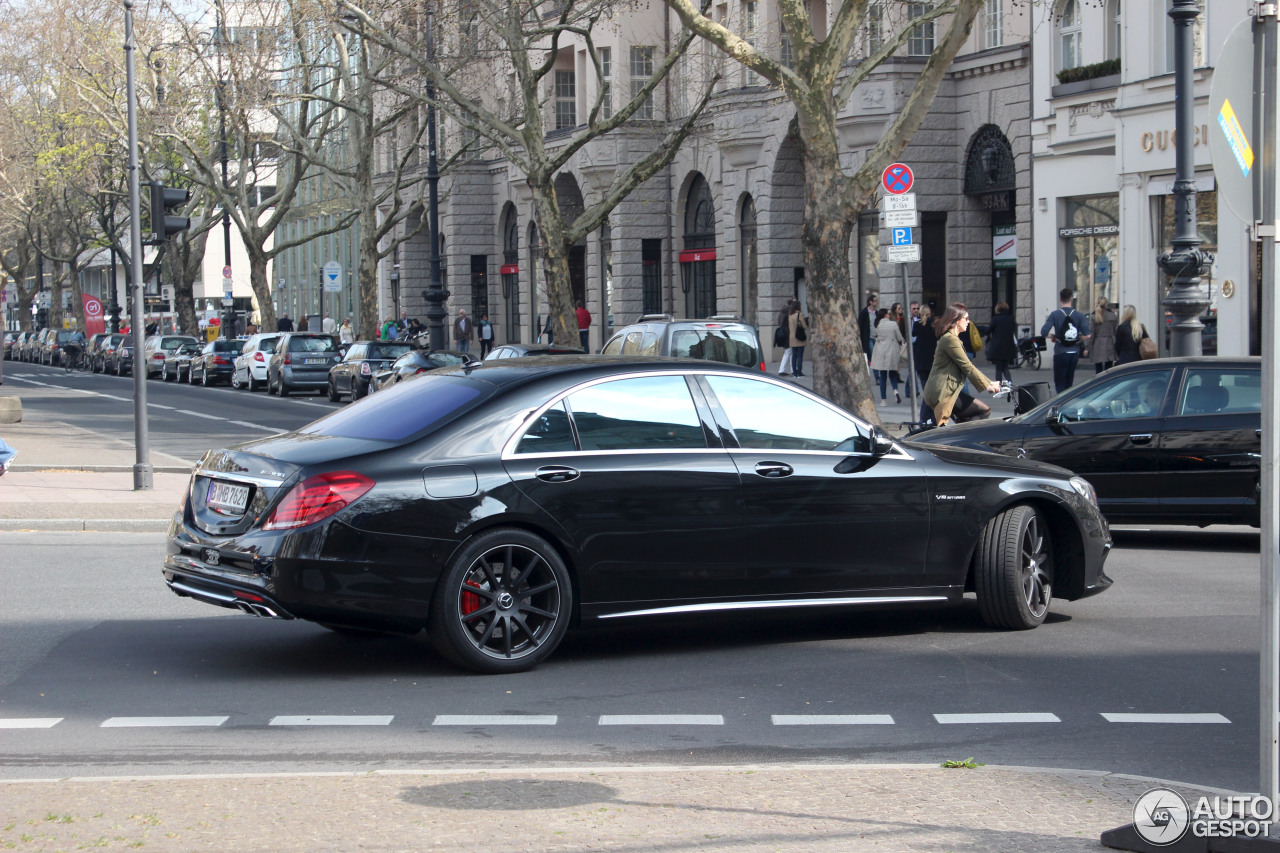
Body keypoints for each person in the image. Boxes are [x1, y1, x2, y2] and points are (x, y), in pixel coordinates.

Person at [923, 303, 1002, 426]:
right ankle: (958, 438)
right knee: (984, 410)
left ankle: (961, 438)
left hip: (948, 389)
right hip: (943, 392)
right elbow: (967, 366)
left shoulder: (952, 338)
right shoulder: (950, 339)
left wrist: (989, 382)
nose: (968, 322)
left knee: (966, 420)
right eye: (966, 318)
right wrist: (988, 385)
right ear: (956, 320)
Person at [1040, 288, 1091, 393]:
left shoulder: (1055, 314)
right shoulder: (1079, 315)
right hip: (1074, 352)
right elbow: (1088, 335)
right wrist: (1077, 339)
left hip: (1060, 352)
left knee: (1059, 383)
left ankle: (1060, 404)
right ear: (1072, 299)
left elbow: (1043, 332)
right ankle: (1068, 403)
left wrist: (1054, 336)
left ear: (1060, 299)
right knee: (1069, 383)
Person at [870, 307, 904, 404]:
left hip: (881, 350)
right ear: (885, 315)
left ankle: (883, 400)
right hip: (892, 350)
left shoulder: (877, 325)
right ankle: (895, 391)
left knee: (883, 376)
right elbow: (899, 337)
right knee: (893, 373)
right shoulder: (893, 324)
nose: (889, 315)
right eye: (888, 314)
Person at [985, 302, 1017, 383]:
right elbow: (1013, 329)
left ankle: (998, 386)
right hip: (1008, 346)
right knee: (1005, 367)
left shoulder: (996, 319)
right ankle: (1010, 383)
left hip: (998, 347)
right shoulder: (1011, 319)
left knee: (998, 368)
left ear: (997, 309)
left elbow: (988, 331)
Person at [912, 305, 937, 392]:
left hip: (920, 353)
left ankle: (926, 396)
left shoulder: (917, 324)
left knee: (923, 377)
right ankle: (932, 395)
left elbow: (913, 334)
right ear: (929, 313)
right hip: (932, 352)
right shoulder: (934, 324)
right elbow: (937, 337)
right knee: (932, 376)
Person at [1090, 297, 1118, 373]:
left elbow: (1092, 333)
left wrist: (1088, 347)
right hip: (1110, 343)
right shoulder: (1113, 315)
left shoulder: (1094, 316)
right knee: (1108, 368)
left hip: (1098, 343)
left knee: (1098, 368)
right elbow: (1116, 330)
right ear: (1107, 304)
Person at [787, 301, 809, 378]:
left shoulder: (790, 315)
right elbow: (804, 326)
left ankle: (794, 373)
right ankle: (799, 372)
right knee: (800, 356)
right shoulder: (799, 314)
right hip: (799, 337)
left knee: (794, 356)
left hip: (792, 337)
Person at [858, 293, 879, 362]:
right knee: (874, 355)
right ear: (870, 302)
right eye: (875, 301)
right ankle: (875, 372)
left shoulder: (877, 313)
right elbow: (860, 326)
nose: (877, 302)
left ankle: (875, 371)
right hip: (868, 338)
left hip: (876, 338)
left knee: (874, 356)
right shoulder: (864, 313)